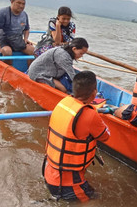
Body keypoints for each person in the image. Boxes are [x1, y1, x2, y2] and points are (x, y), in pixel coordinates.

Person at [43, 70, 110, 202]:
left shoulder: (64, 102)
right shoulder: (90, 114)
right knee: (96, 201)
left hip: (49, 172)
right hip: (67, 183)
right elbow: (105, 136)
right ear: (94, 93)